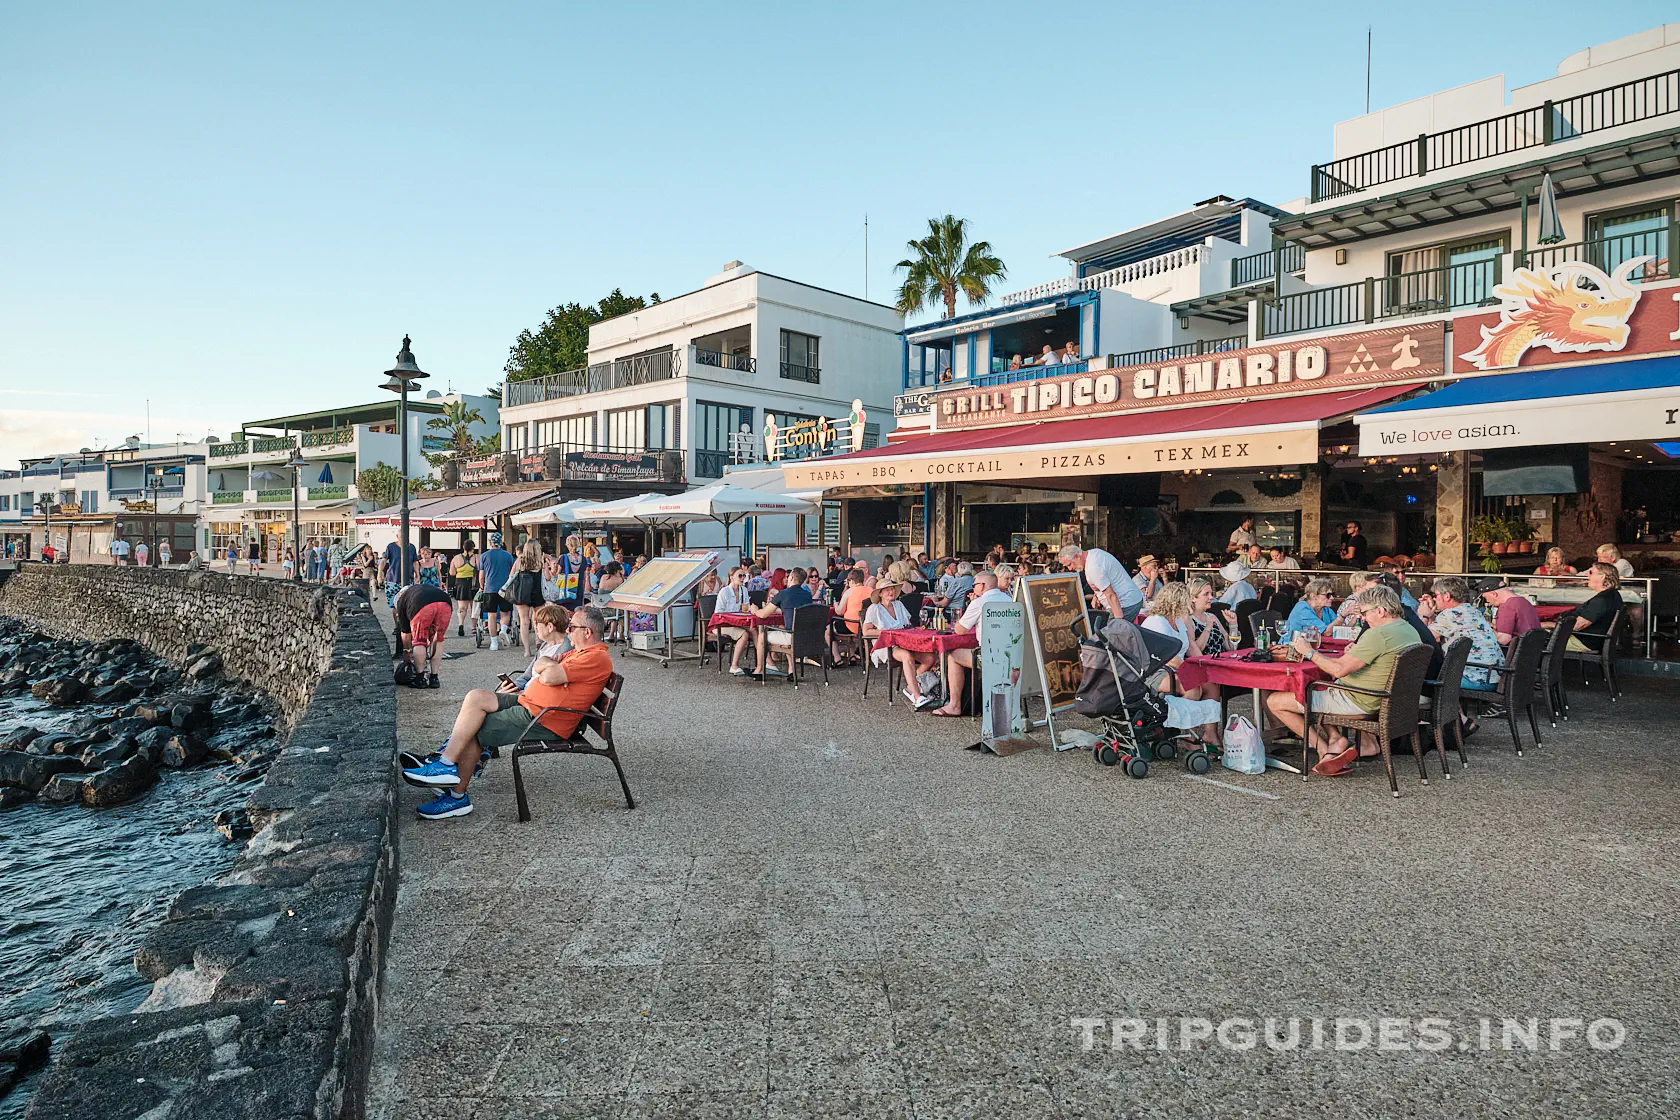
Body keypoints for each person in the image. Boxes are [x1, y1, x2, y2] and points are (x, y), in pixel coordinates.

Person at [404, 605, 615, 820]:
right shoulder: (579, 652)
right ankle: (445, 765)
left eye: (572, 627)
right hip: (530, 703)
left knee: (477, 729)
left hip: (544, 718)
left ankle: (456, 798)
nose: (568, 631)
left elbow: (549, 676)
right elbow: (541, 665)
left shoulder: (595, 657)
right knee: (476, 697)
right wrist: (544, 670)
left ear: (587, 632)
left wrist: (545, 673)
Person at [1265, 585, 1420, 776]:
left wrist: (1309, 652)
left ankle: (1322, 749)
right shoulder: (1408, 629)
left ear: (1380, 611)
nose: (1363, 618)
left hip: (1361, 701)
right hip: (1390, 700)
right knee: (1318, 688)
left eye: (1364, 613)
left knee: (1275, 701)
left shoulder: (1378, 634)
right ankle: (1337, 739)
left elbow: (1337, 669)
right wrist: (1353, 653)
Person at [929, 572, 1012, 716]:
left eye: (974, 585)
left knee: (953, 655)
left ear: (982, 586)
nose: (972, 587)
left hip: (990, 657)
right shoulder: (1010, 599)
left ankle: (955, 705)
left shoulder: (979, 603)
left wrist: (971, 606)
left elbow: (959, 629)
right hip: (1012, 656)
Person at [1427, 577, 1504, 691]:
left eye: (1436, 595)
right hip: (1495, 677)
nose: (1434, 599)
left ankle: (1435, 707)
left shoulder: (1450, 614)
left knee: (1420, 677)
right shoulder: (1474, 611)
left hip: (1474, 679)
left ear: (1447, 596)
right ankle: (1453, 708)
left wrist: (1425, 615)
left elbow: (1423, 638)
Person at [1140, 583, 1207, 699]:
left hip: (1177, 669)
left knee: (1211, 684)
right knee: (1191, 686)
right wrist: (1191, 671)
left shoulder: (1178, 620)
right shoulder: (1156, 622)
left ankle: (1210, 716)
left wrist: (1204, 666)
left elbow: (1190, 647)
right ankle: (1183, 716)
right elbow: (1168, 658)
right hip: (1156, 672)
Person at [752, 566, 814, 677]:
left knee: (761, 636)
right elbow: (793, 609)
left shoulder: (783, 594)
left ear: (791, 578)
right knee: (782, 629)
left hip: (791, 637)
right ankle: (791, 669)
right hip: (806, 637)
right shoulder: (807, 595)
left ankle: (760, 669)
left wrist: (755, 610)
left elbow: (763, 614)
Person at [1058, 544, 1144, 624]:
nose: (1070, 568)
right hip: (1131, 599)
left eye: (1069, 564)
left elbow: (1110, 595)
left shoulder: (1093, 568)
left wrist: (1118, 622)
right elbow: (1105, 579)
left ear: (1077, 557)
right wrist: (1096, 596)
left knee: (1110, 636)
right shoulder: (1094, 553)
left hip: (1125, 604)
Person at [394, 580, 454, 688]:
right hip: (445, 602)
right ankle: (434, 678)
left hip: (421, 605)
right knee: (437, 639)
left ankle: (420, 678)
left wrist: (406, 651)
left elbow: (405, 634)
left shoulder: (402, 601)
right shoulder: (418, 589)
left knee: (419, 640)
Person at [1568, 562, 1623, 653]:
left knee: (1540, 640)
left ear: (1602, 577)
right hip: (1597, 640)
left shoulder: (1601, 601)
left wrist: (1547, 625)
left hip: (1585, 643)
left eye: (1591, 572)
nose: (1587, 575)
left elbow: (1576, 626)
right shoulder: (1613, 594)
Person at [506, 541, 547, 657]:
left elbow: (511, 575)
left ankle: (527, 650)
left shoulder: (520, 560)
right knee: (538, 619)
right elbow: (547, 576)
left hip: (522, 591)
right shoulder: (540, 560)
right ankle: (539, 642)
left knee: (524, 621)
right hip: (537, 590)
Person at [476, 533, 516, 651]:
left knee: (491, 615)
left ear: (490, 542)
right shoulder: (508, 556)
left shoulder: (484, 556)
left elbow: (481, 576)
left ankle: (494, 642)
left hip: (490, 588)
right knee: (505, 613)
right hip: (505, 589)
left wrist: (482, 586)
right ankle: (503, 630)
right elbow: (512, 573)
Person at [1479, 577, 1539, 648]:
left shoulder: (1506, 607)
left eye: (1486, 597)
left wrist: (1484, 626)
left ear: (1493, 594)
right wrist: (1493, 626)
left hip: (1516, 652)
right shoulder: (1524, 602)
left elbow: (1503, 640)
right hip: (1532, 649)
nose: (1488, 601)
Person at [830, 568, 872, 666]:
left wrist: (835, 604)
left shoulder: (849, 592)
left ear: (852, 580)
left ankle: (837, 658)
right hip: (866, 626)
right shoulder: (871, 590)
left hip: (851, 626)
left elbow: (839, 611)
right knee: (850, 621)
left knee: (829, 627)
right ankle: (851, 655)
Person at [1186, 578, 1229, 657]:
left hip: (1222, 662)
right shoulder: (1188, 619)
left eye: (1211, 593)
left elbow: (1231, 648)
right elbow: (1193, 652)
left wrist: (1233, 625)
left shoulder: (1211, 616)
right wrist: (1208, 628)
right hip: (1205, 665)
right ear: (1193, 598)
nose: (1211, 597)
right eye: (1206, 594)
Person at [555, 534, 592, 609]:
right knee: (576, 611)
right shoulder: (583, 559)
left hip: (565, 591)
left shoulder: (563, 558)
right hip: (578, 591)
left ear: (568, 545)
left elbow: (557, 575)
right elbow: (584, 579)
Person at [449, 544, 479, 637]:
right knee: (474, 607)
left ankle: (461, 625)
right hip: (473, 583)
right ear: (473, 548)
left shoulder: (456, 558)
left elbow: (452, 573)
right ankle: (474, 627)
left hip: (461, 583)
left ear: (463, 547)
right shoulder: (476, 557)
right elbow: (479, 569)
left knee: (462, 608)